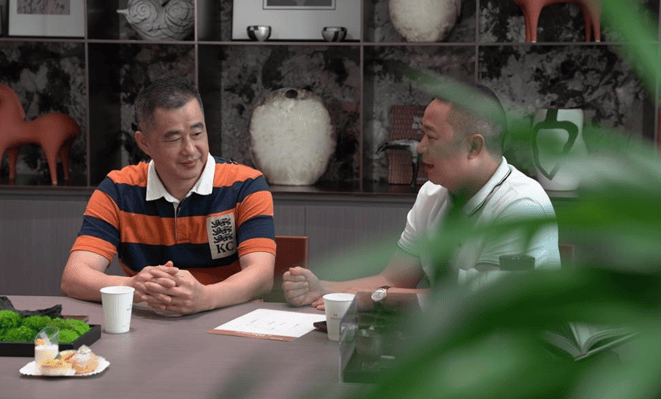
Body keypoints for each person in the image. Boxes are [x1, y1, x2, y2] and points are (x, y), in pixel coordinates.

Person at [283, 83, 560, 309]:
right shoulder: (432, 194)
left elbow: (482, 304)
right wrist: (324, 289)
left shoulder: (521, 206)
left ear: (474, 147)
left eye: (431, 137)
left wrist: (378, 299)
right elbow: (394, 279)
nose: (419, 147)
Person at [61, 76, 276, 315]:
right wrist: (133, 286)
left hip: (227, 317)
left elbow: (262, 276)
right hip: (149, 320)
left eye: (197, 133)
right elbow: (74, 277)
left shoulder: (246, 185)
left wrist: (205, 298)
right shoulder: (117, 190)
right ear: (144, 143)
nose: (190, 150)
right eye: (174, 139)